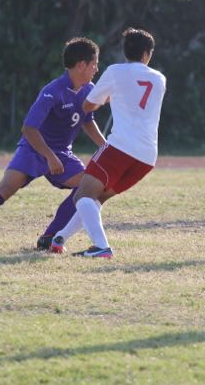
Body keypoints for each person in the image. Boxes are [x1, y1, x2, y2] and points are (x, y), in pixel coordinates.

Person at [0, 38, 105, 236]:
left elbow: (87, 121)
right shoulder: (52, 91)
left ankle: (49, 237)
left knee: (88, 186)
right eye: (94, 64)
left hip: (62, 153)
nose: (96, 69)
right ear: (82, 65)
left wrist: (105, 146)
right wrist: (49, 156)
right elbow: (29, 129)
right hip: (33, 149)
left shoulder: (89, 90)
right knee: (3, 191)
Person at [49, 28, 166, 258]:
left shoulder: (115, 71)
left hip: (121, 147)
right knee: (95, 199)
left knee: (82, 197)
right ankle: (60, 238)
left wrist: (107, 96)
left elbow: (88, 106)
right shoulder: (160, 78)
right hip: (147, 156)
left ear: (125, 52)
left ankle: (102, 247)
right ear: (147, 54)